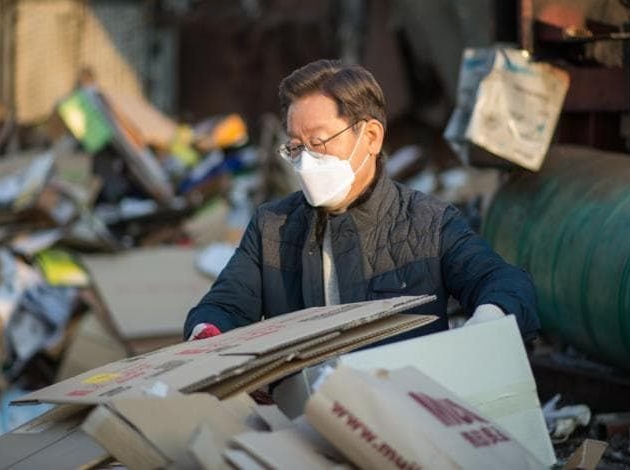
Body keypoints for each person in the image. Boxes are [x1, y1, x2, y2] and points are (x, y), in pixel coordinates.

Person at [184, 59, 539, 342]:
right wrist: (209, 334)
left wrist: (490, 320)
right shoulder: (272, 228)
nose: (305, 160)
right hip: (299, 418)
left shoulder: (430, 223)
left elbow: (503, 281)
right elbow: (223, 306)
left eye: (319, 142)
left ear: (370, 136)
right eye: (295, 147)